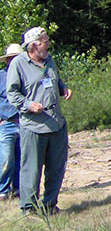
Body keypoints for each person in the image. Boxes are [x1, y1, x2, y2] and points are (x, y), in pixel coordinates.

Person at [7, 27, 73, 215]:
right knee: (31, 170)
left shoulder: (50, 60)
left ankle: (50, 204)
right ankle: (29, 208)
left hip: (56, 124)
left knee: (56, 168)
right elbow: (12, 93)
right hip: (34, 126)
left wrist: (64, 88)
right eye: (45, 41)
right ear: (35, 45)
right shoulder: (18, 64)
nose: (49, 43)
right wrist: (29, 104)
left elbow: (56, 80)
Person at [0, 44, 22, 201]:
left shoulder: (26, 76)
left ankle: (17, 190)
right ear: (7, 60)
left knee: (22, 160)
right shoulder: (1, 76)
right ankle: (3, 190)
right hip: (6, 122)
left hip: (24, 122)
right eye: (11, 58)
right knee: (7, 159)